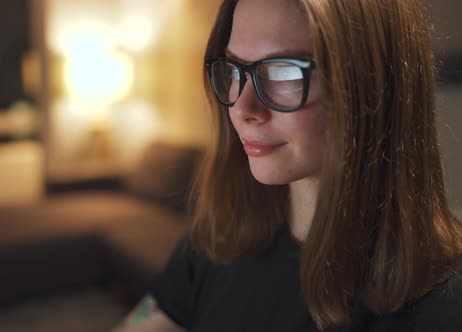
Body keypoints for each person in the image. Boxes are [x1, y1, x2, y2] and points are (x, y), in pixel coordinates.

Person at [112, 0, 462, 331]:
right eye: (234, 68)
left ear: (372, 87)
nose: (242, 108)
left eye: (283, 71)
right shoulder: (216, 241)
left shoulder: (441, 305)